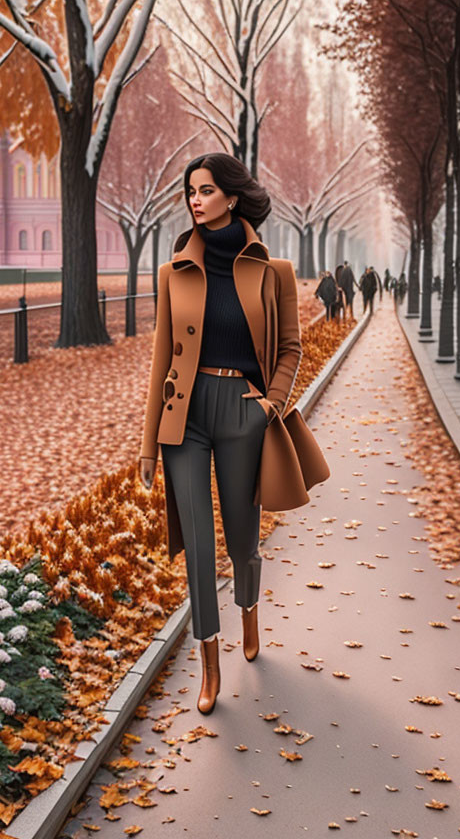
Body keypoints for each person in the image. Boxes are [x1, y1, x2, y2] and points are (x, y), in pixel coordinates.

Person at [138, 152, 327, 716]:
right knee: (198, 543)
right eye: (190, 192)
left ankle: (249, 611)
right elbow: (159, 360)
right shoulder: (174, 272)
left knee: (243, 535)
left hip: (243, 410)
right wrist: (148, 443)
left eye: (205, 190)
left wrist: (270, 403)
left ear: (232, 197)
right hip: (185, 416)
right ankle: (210, 663)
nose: (195, 200)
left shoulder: (276, 273)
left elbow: (290, 348)